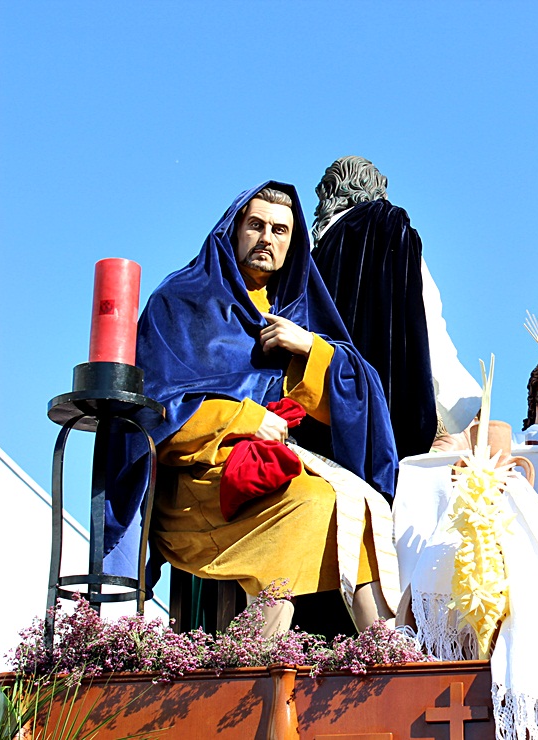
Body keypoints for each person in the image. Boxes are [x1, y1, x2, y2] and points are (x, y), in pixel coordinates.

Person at [110, 182, 400, 635]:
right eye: (257, 225)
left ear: (293, 242)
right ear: (234, 230)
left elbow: (348, 401)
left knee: (362, 507)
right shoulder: (181, 302)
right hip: (197, 486)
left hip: (269, 471)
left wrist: (310, 348)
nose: (267, 238)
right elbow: (152, 413)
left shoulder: (295, 311)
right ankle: (256, 664)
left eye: (280, 230)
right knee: (312, 503)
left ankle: (386, 654)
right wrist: (246, 419)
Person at [312, 156, 481, 460]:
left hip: (323, 402)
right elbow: (425, 313)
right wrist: (451, 399)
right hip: (386, 402)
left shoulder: (312, 250)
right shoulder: (389, 225)